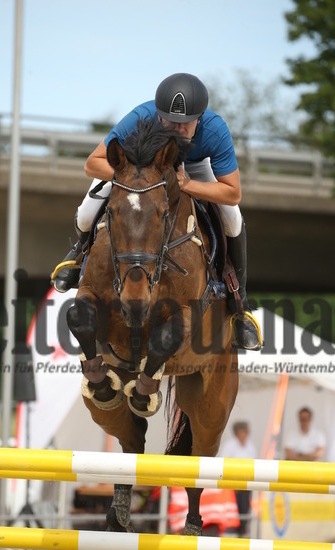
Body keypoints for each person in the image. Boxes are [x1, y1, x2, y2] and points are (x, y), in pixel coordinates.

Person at [51, 72, 262, 350]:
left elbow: (233, 191)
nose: (178, 128)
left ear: (200, 118)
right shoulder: (140, 117)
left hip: (194, 168)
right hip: (139, 167)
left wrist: (188, 185)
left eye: (186, 123)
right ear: (158, 115)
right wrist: (132, 175)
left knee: (233, 220)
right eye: (171, 121)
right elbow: (93, 164)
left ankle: (239, 305)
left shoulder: (215, 129)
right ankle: (78, 254)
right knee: (87, 211)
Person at [221, 420, 257, 536]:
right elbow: (224, 464)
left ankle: (243, 528)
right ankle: (232, 529)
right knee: (234, 507)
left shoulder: (250, 446)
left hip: (247, 483)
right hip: (233, 484)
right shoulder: (229, 446)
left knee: (245, 507)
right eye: (244, 430)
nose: (247, 433)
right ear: (238, 432)